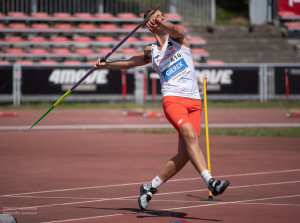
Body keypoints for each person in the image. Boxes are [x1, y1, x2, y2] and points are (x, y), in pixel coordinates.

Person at [94, 6, 230, 210]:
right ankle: (210, 181)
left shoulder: (178, 39)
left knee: (185, 154)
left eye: (163, 17)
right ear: (149, 24)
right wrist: (108, 64)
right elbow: (130, 62)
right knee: (191, 137)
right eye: (157, 18)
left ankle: (150, 187)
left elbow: (175, 30)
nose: (163, 19)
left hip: (194, 102)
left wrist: (162, 23)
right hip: (173, 100)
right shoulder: (152, 51)